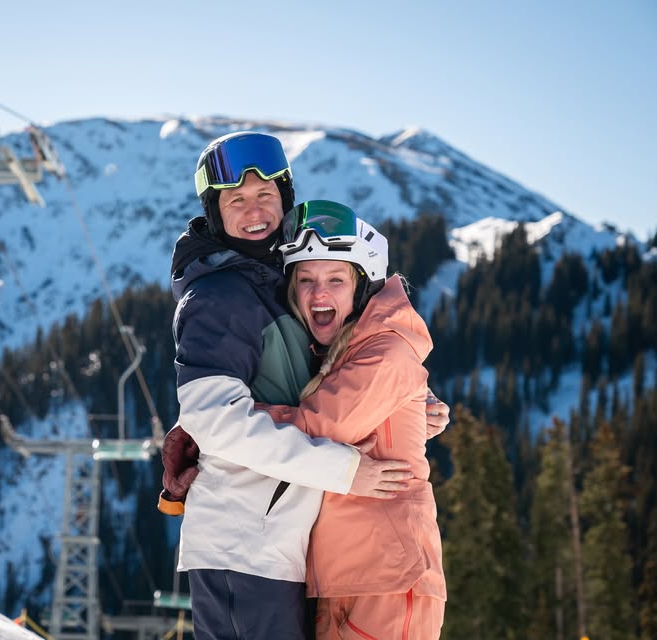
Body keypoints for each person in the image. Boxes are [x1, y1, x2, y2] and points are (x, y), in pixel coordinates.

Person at [169, 131, 448, 640]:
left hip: (289, 546)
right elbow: (215, 417)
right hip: (245, 543)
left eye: (264, 195)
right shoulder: (220, 296)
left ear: (285, 199)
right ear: (214, 212)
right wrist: (344, 469)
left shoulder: (276, 279)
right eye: (236, 201)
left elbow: (337, 372)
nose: (254, 212)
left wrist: (406, 403)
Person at [254, 199, 446, 639]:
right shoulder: (347, 351)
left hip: (388, 581)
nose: (318, 294)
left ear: (361, 286)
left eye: (335, 280)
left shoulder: (385, 351)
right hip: (351, 577)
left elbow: (317, 429)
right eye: (306, 280)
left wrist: (224, 421)